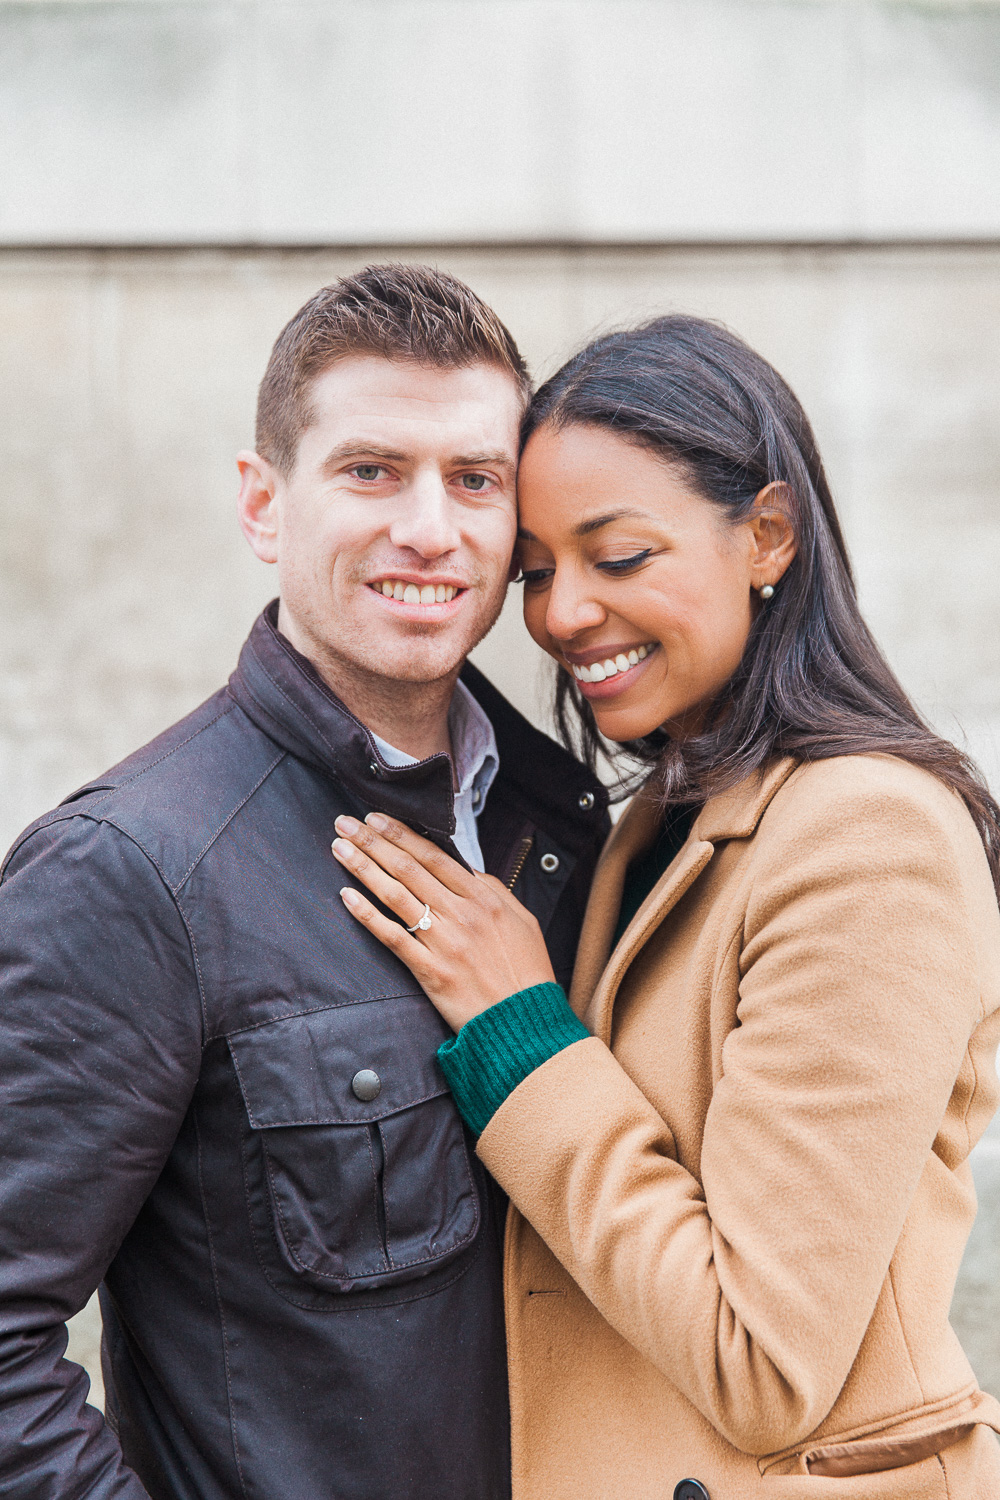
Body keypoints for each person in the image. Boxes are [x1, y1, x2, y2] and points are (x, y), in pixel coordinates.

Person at [331, 315, 1000, 1499]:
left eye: (619, 556)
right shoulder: (652, 820)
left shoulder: (867, 836)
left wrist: (519, 1035)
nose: (564, 613)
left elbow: (762, 1362)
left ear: (768, 535)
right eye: (537, 570)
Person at [0, 264, 608, 1500]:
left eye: (475, 481)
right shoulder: (130, 872)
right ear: (263, 504)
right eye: (371, 470)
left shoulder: (569, 825)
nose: (430, 528)